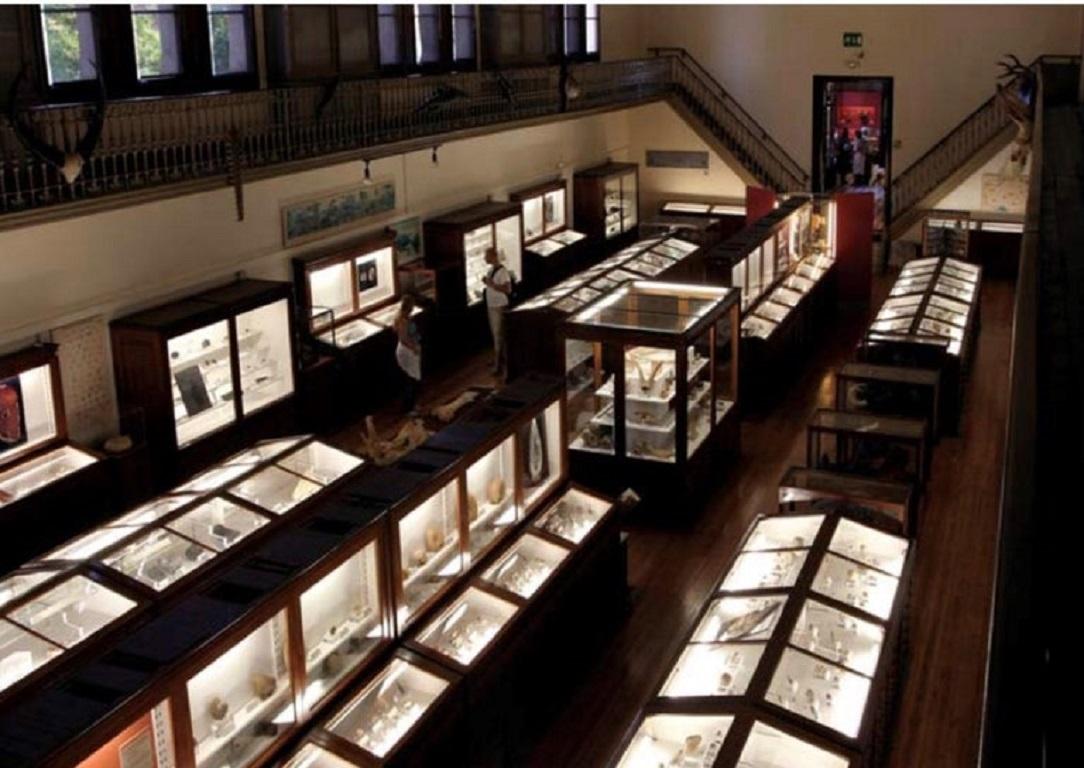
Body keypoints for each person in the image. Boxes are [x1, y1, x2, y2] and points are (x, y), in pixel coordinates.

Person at [482, 246, 513, 377]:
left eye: (487, 255)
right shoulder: (491, 270)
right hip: (492, 305)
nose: (485, 258)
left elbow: (507, 289)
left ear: (493, 257)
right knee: (496, 334)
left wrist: (491, 284)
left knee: (498, 334)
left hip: (499, 306)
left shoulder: (502, 272)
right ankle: (498, 359)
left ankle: (499, 364)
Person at [394, 294, 422, 413]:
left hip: (411, 350)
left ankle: (412, 404)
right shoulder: (403, 321)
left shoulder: (406, 318)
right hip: (407, 352)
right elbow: (404, 338)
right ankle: (408, 407)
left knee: (413, 379)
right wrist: (414, 348)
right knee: (412, 379)